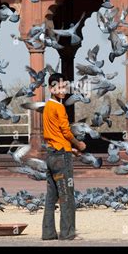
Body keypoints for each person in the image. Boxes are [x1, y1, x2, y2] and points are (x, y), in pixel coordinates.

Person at [42, 73, 86, 241]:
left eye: (64, 87)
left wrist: (70, 149)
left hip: (51, 154)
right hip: (61, 157)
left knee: (51, 196)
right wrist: (78, 144)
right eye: (59, 87)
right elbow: (66, 132)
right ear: (51, 88)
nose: (63, 91)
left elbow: (54, 133)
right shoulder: (59, 107)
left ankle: (48, 233)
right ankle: (67, 233)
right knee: (67, 196)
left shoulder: (47, 107)